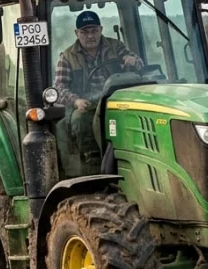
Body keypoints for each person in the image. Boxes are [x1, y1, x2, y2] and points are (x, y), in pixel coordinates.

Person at [53, 10, 143, 162]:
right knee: (79, 120)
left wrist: (133, 61)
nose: (90, 36)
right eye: (85, 32)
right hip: (87, 104)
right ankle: (92, 158)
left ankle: (134, 153)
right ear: (77, 33)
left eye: (94, 31)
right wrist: (76, 101)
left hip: (115, 99)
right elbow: (59, 88)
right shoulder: (67, 57)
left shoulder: (116, 47)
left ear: (101, 30)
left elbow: (139, 63)